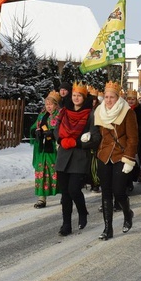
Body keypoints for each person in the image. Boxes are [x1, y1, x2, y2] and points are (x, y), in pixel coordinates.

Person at [85, 81, 138, 240]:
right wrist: (89, 138)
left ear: (118, 97)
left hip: (120, 155)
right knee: (106, 192)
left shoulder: (128, 113)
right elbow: (96, 134)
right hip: (103, 155)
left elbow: (133, 139)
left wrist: (129, 159)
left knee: (119, 191)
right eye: (106, 97)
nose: (108, 100)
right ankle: (108, 228)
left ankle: (127, 213)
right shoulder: (99, 111)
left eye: (112, 97)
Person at [54, 82, 94, 236]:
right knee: (65, 193)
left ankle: (82, 211)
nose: (76, 98)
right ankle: (66, 224)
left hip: (79, 157)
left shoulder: (90, 114)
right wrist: (60, 140)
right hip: (63, 156)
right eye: (74, 95)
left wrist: (77, 142)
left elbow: (95, 137)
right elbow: (57, 129)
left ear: (84, 98)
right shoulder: (64, 111)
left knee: (74, 189)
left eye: (79, 96)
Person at [30, 91, 61, 208]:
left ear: (56, 105)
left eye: (51, 104)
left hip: (54, 149)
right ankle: (41, 198)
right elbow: (34, 127)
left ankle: (64, 195)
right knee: (41, 172)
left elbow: (62, 130)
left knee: (56, 172)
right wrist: (35, 132)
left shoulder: (60, 115)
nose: (48, 106)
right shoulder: (42, 115)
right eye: (46, 104)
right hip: (42, 150)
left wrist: (53, 133)